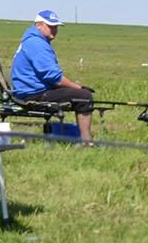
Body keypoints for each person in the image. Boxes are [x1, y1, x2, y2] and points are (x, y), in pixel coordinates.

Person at [9, 10, 97, 145]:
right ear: (38, 25)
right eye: (50, 26)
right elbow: (54, 77)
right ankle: (87, 142)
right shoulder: (37, 44)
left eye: (56, 27)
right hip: (34, 93)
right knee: (84, 97)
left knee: (78, 92)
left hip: (29, 89)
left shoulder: (33, 40)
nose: (54, 30)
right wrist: (77, 87)